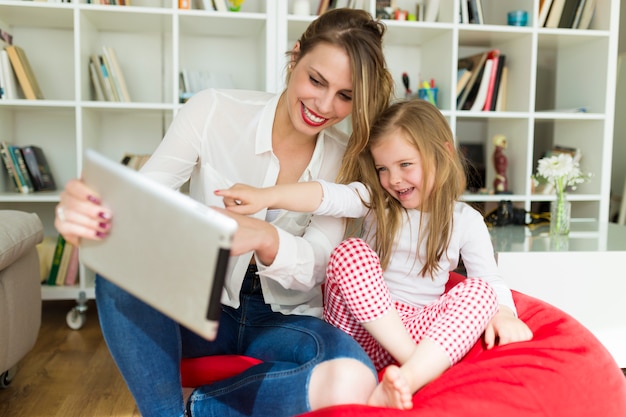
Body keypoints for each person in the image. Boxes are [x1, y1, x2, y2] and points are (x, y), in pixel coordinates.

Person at [54, 8, 395, 417]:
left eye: (346, 96)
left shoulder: (345, 157)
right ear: (295, 56)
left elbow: (319, 264)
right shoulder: (212, 110)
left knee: (355, 377)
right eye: (316, 80)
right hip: (200, 304)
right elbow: (141, 202)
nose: (323, 105)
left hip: (283, 319)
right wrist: (89, 217)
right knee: (120, 266)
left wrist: (266, 238)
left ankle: (196, 409)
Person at [216, 99, 534, 410]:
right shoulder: (376, 202)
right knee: (351, 252)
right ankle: (419, 369)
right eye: (383, 168)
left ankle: (405, 380)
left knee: (480, 293)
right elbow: (324, 196)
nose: (393, 179)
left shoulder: (465, 220)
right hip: (359, 331)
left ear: (444, 153)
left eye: (405, 165)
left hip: (416, 328)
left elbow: (489, 279)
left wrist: (504, 313)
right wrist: (264, 197)